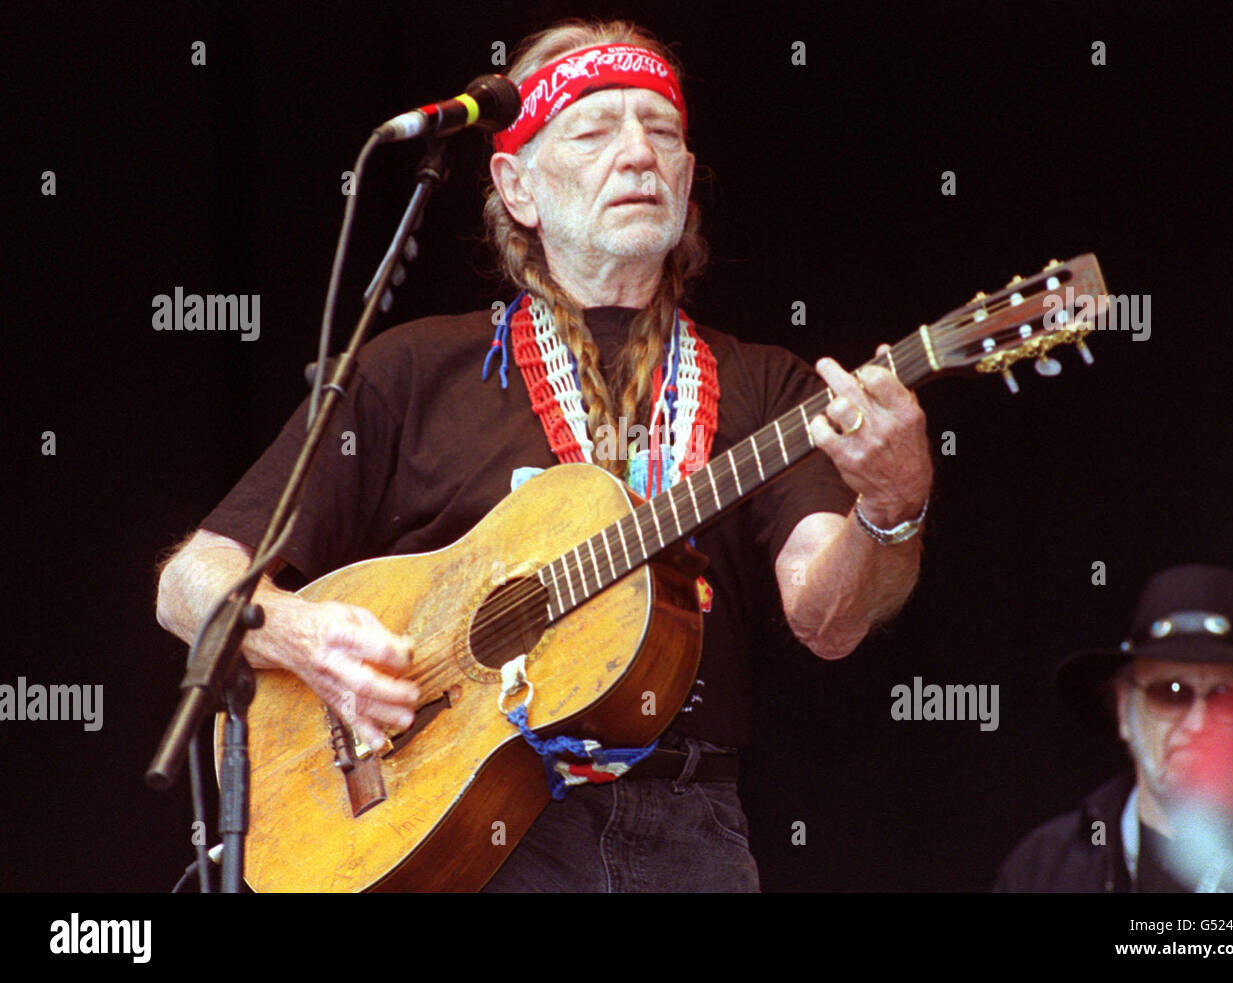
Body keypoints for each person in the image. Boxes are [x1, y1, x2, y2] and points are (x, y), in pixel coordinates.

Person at [155, 18, 932, 892]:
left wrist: (890, 508)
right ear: (516, 185)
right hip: (459, 828)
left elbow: (827, 622)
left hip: (689, 833)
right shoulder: (410, 370)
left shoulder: (769, 386)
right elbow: (190, 581)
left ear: (686, 178)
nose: (638, 153)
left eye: (663, 132)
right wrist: (301, 637)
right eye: (597, 130)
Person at [995, 564, 1233, 892]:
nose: (1198, 723)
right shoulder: (1044, 867)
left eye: (1226, 696)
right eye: (1170, 693)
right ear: (1124, 709)